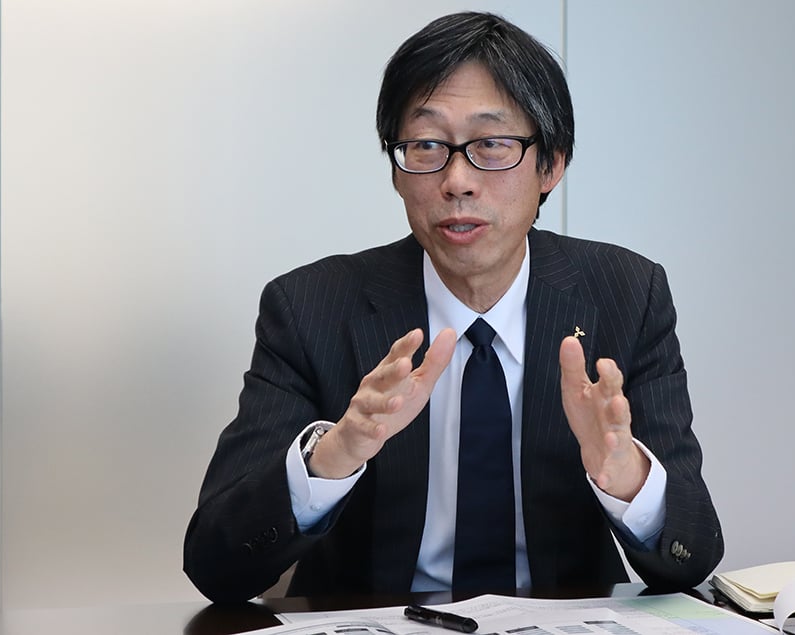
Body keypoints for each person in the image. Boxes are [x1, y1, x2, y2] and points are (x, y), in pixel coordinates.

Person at [183, 11, 722, 603]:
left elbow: (691, 556)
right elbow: (215, 566)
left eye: (491, 145)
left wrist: (628, 480)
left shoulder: (627, 294)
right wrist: (331, 458)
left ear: (551, 165)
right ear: (397, 171)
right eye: (426, 146)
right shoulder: (311, 308)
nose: (457, 180)